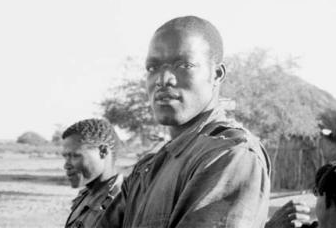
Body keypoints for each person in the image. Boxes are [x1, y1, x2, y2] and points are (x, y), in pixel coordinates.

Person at [99, 15, 271, 228]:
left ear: (216, 74)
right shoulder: (148, 168)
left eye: (183, 65)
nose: (163, 79)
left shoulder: (230, 154)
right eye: (152, 68)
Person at [62, 118, 123, 228]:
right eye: (66, 157)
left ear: (103, 151)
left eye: (75, 156)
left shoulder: (124, 200)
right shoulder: (85, 196)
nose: (66, 165)